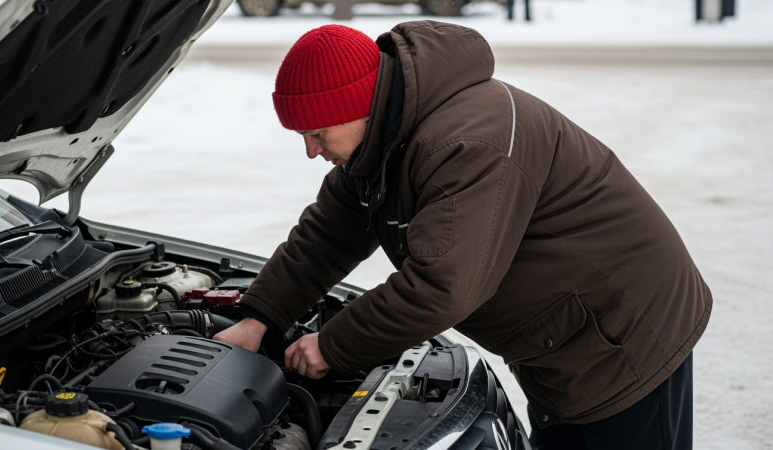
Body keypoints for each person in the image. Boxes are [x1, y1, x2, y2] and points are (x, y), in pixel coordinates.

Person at [212, 22, 711, 450]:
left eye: (318, 132)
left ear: (359, 102)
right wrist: (259, 318)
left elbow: (441, 285)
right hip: (562, 339)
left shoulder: (466, 140)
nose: (311, 150)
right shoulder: (382, 142)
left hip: (627, 337)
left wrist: (332, 346)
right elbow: (326, 236)